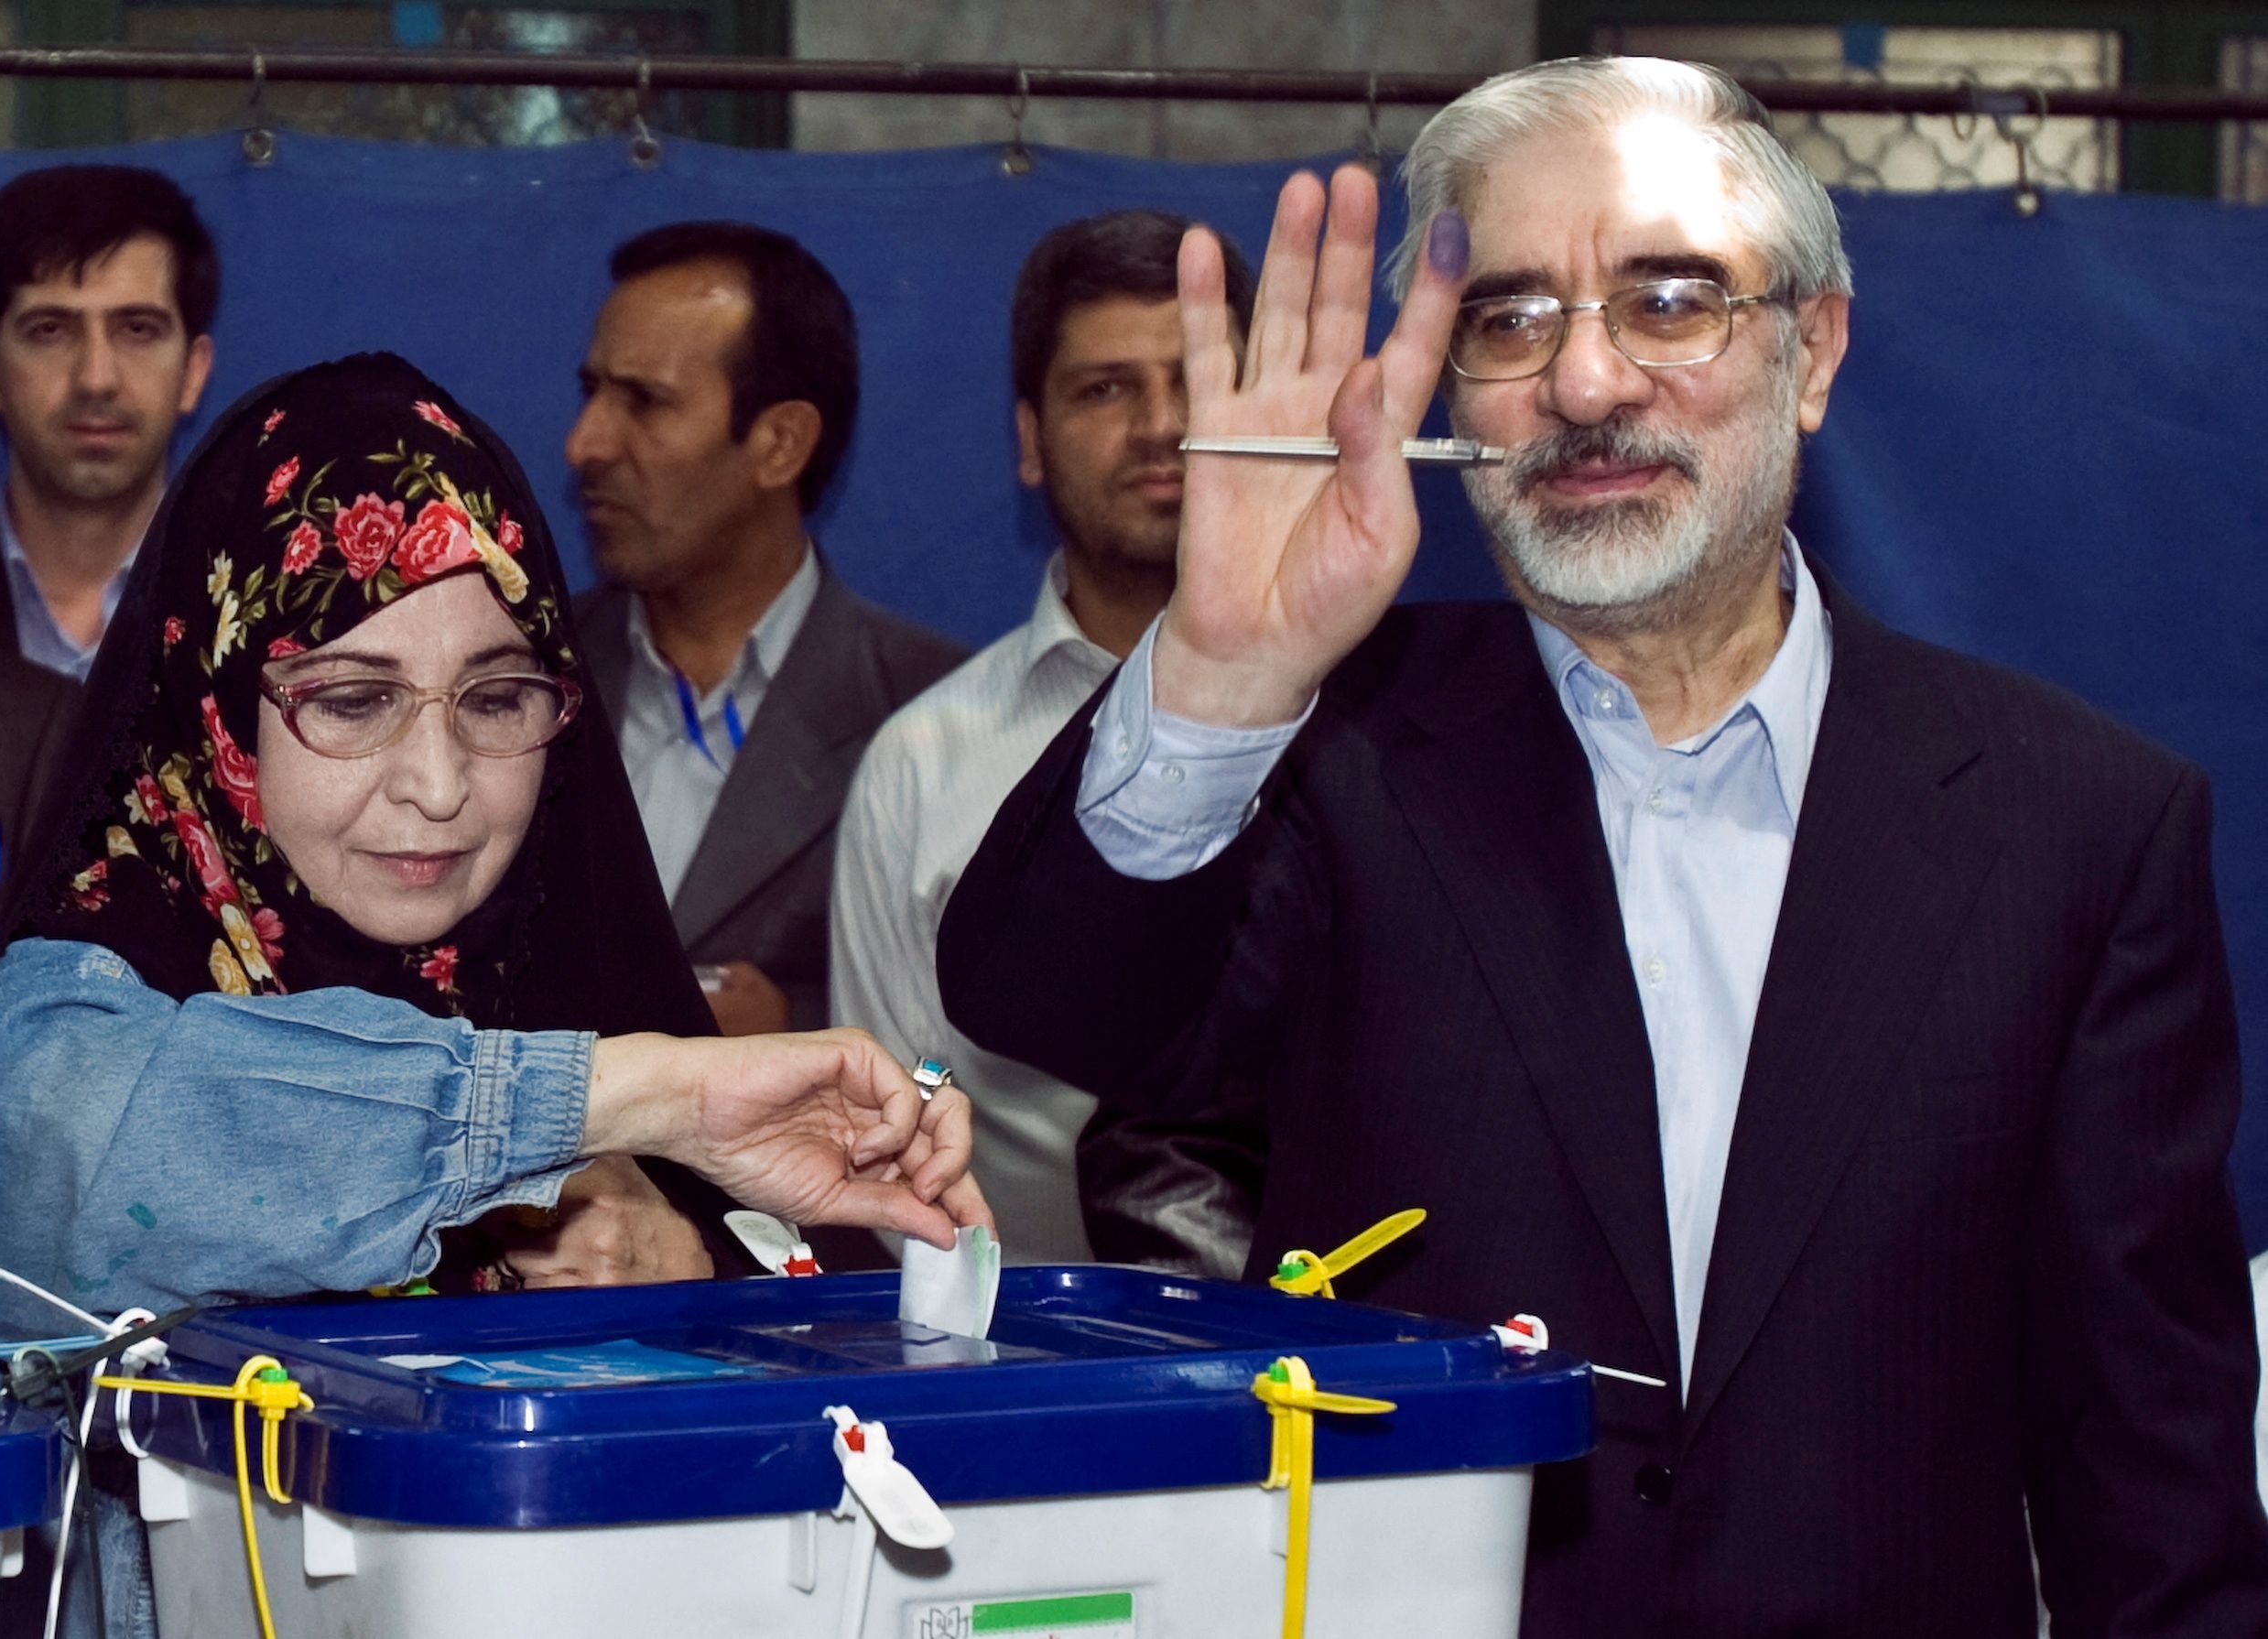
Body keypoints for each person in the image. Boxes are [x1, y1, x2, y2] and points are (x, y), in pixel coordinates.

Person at [939, 58, 2268, 1635]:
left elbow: (2152, 1486)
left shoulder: (2077, 829)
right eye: (1509, 320)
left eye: (1670, 299)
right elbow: (1040, 1002)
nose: (1583, 386)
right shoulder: (1329, 761)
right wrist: (1222, 675)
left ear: (1813, 347)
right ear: (1448, 393)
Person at [0, 353, 985, 1385]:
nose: (440, 785)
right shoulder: (69, 1016)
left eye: (495, 700)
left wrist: (697, 1262)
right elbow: (109, 1139)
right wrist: (639, 1097)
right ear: (216, 713)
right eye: (354, 700)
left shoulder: (567, 972)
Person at [830, 210, 1253, 1266]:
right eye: (1106, 388)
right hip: (1024, 1375)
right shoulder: (920, 763)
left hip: (1360, 1387)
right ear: (1029, 440)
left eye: (1197, 380)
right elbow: (896, 1130)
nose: (1162, 425)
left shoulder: (1384, 736)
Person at [568, 222, 966, 1040]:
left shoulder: (941, 722)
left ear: (781, 444)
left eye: (644, 402)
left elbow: (980, 1064)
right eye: (593, 393)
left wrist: (811, 1034)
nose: (586, 445)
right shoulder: (512, 676)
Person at [0, 166, 217, 887]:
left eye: (137, 329)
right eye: (50, 330)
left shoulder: (269, 641)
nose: (97, 376)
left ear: (194, 370)